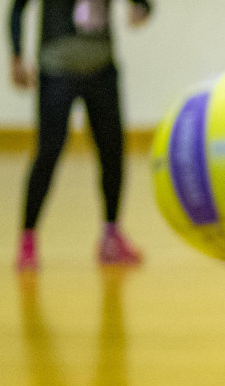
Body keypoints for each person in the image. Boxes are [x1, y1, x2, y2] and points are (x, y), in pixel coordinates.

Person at [9, 0, 151, 272]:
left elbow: (143, 4)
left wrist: (142, 10)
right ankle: (28, 238)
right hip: (57, 68)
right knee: (48, 151)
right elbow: (17, 9)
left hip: (101, 67)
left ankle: (111, 235)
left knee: (112, 150)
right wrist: (17, 55)